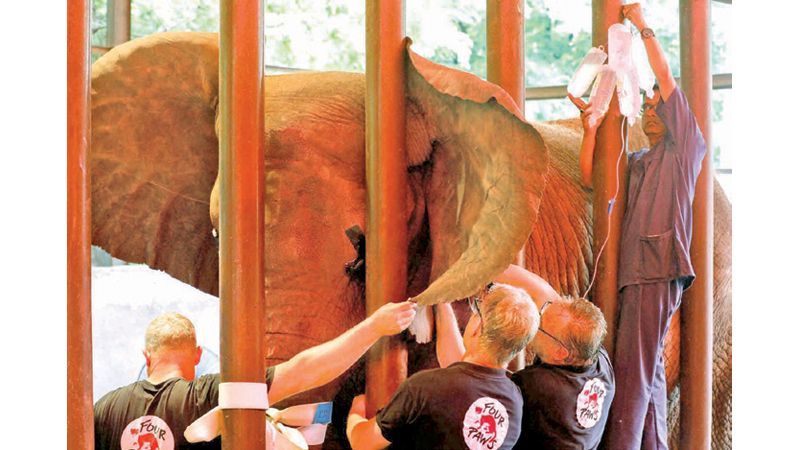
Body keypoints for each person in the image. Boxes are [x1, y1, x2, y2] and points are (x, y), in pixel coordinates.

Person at [569, 4, 707, 449]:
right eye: (645, 105)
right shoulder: (643, 161)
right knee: (645, 377)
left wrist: (641, 24)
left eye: (656, 105)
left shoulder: (686, 147)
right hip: (640, 271)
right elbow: (593, 179)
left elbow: (665, 78)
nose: (650, 110)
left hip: (654, 269)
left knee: (630, 375)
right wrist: (590, 126)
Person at [94, 302, 416, 450]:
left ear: (146, 356)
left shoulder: (104, 408)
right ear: (197, 355)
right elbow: (304, 371)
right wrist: (374, 327)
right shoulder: (211, 394)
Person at [436, 265, 615, 450]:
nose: (535, 317)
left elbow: (464, 374)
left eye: (541, 322)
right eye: (545, 308)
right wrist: (473, 264)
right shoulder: (595, 355)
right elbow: (546, 294)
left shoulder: (540, 386)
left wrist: (440, 303)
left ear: (560, 352)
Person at [346, 283, 539, 450]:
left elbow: (362, 443)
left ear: (478, 327)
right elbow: (462, 377)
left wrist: (357, 410)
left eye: (476, 310)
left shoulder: (422, 387)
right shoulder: (515, 401)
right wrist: (441, 302)